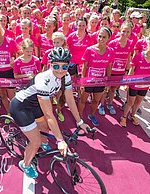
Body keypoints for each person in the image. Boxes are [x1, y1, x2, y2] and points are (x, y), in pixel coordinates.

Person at [9, 47, 91, 179]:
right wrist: (60, 140)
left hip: (36, 104)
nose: (60, 70)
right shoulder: (44, 80)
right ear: (50, 64)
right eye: (56, 66)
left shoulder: (66, 76)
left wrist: (80, 122)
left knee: (45, 128)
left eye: (64, 67)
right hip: (21, 107)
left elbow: (70, 100)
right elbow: (49, 115)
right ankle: (25, 164)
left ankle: (43, 143)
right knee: (35, 142)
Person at [120, 38, 150, 127]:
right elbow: (132, 69)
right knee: (130, 102)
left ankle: (133, 115)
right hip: (135, 83)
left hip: (145, 85)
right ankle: (124, 117)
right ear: (147, 46)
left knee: (138, 101)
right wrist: (127, 83)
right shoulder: (139, 56)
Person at [78, 27, 114, 126]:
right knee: (83, 100)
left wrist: (108, 82)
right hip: (88, 82)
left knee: (96, 100)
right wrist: (82, 81)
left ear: (109, 38)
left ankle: (91, 115)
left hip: (100, 82)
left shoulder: (110, 51)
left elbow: (109, 68)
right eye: (100, 36)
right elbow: (84, 67)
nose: (101, 39)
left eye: (104, 37)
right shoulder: (89, 50)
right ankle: (79, 117)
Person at [107, 22, 134, 115]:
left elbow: (129, 57)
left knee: (114, 88)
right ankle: (101, 104)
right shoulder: (112, 43)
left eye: (128, 32)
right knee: (106, 88)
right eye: (123, 31)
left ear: (130, 32)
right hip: (111, 70)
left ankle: (109, 104)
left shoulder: (130, 43)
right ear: (120, 30)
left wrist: (127, 71)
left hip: (121, 71)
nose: (125, 34)